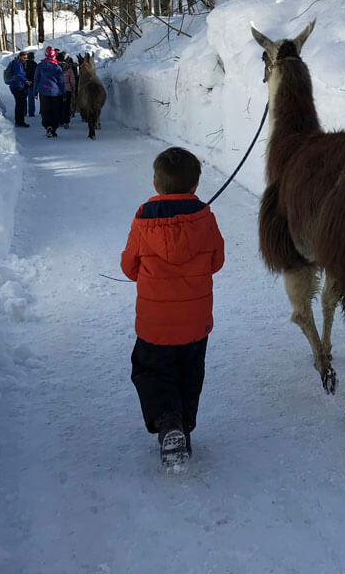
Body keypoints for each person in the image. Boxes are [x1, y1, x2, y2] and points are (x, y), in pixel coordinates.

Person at [120, 147, 224, 469]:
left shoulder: (142, 221)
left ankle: (168, 421)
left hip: (154, 326)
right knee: (189, 374)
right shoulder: (205, 218)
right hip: (195, 326)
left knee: (150, 371)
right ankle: (183, 429)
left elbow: (129, 267)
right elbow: (217, 262)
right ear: (194, 186)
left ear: (156, 185)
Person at [33, 46, 66, 137]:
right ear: (54, 55)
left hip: (43, 92)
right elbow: (61, 82)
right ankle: (53, 127)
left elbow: (36, 79)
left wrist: (35, 92)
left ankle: (48, 126)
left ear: (46, 54)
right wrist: (64, 93)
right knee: (55, 111)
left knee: (45, 111)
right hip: (56, 93)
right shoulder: (57, 67)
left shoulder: (40, 66)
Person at [5, 52, 30, 127]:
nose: (26, 59)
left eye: (26, 58)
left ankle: (18, 121)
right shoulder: (17, 64)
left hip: (15, 86)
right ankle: (20, 122)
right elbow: (18, 74)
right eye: (24, 58)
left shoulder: (15, 62)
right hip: (18, 86)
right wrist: (26, 80)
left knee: (19, 104)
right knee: (20, 104)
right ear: (20, 57)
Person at [60, 53, 77, 129]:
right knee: (66, 107)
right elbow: (72, 80)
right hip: (67, 90)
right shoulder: (69, 69)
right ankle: (66, 122)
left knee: (59, 106)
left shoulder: (56, 68)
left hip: (58, 91)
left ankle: (60, 121)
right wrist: (73, 89)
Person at [22, 51, 38, 118]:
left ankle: (24, 112)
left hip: (24, 83)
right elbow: (36, 75)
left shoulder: (23, 64)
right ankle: (31, 113)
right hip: (32, 83)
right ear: (33, 57)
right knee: (31, 98)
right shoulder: (34, 64)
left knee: (24, 99)